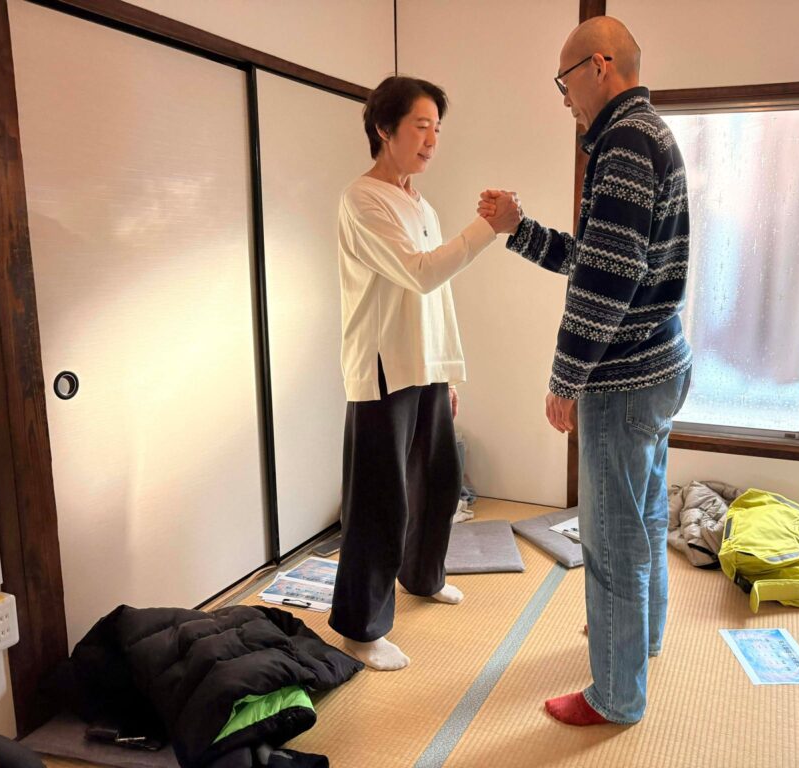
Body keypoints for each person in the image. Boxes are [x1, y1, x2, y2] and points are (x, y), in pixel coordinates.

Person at [478, 16, 692, 725]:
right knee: (645, 515)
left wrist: (566, 377)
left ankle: (617, 695)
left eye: (564, 81)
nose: (564, 97)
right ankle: (641, 640)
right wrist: (519, 229)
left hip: (624, 378)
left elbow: (607, 278)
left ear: (599, 66)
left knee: (610, 541)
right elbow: (595, 255)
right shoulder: (648, 132)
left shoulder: (624, 141)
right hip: (661, 362)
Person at [331, 76, 521, 671]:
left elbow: (437, 297)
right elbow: (420, 273)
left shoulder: (421, 204)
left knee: (440, 480)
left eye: (437, 128)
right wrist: (488, 228)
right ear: (384, 129)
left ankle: (422, 575)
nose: (432, 139)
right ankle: (361, 628)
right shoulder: (362, 200)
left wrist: (448, 372)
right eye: (420, 126)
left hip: (426, 364)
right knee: (379, 500)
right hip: (383, 368)